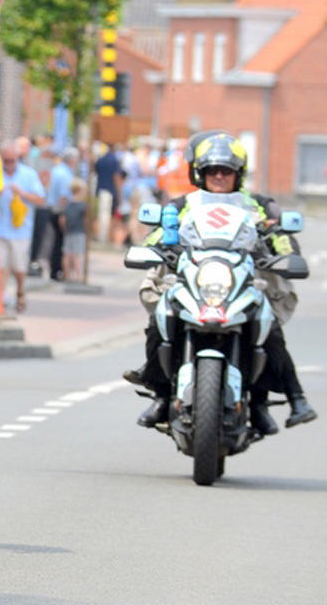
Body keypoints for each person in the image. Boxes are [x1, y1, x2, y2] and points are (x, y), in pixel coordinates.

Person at [132, 132, 316, 431]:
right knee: (162, 316)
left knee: (267, 326)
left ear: (238, 174)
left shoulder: (258, 205)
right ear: (199, 174)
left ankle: (273, 401)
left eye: (226, 170)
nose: (218, 176)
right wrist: (157, 247)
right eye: (211, 170)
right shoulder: (182, 205)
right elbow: (155, 236)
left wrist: (284, 251)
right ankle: (162, 396)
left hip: (243, 279)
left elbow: (283, 238)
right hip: (196, 278)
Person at [0, 141, 46, 314]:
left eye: (12, 161)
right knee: (0, 266)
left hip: (21, 229)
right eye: (5, 161)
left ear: (17, 159)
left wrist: (21, 193)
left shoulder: (28, 174)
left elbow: (41, 199)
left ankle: (21, 290)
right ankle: (0, 300)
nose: (8, 165)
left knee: (19, 267)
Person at [44, 147, 79, 280]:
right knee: (60, 242)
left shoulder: (56, 170)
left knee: (56, 241)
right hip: (60, 210)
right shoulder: (65, 174)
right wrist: (64, 214)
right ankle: (57, 270)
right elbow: (64, 197)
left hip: (52, 208)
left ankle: (54, 270)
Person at [59, 177, 87, 282]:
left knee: (67, 254)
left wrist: (65, 229)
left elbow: (62, 219)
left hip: (69, 231)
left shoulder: (68, 204)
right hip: (79, 231)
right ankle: (78, 275)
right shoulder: (82, 205)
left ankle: (67, 274)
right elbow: (85, 220)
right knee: (77, 255)